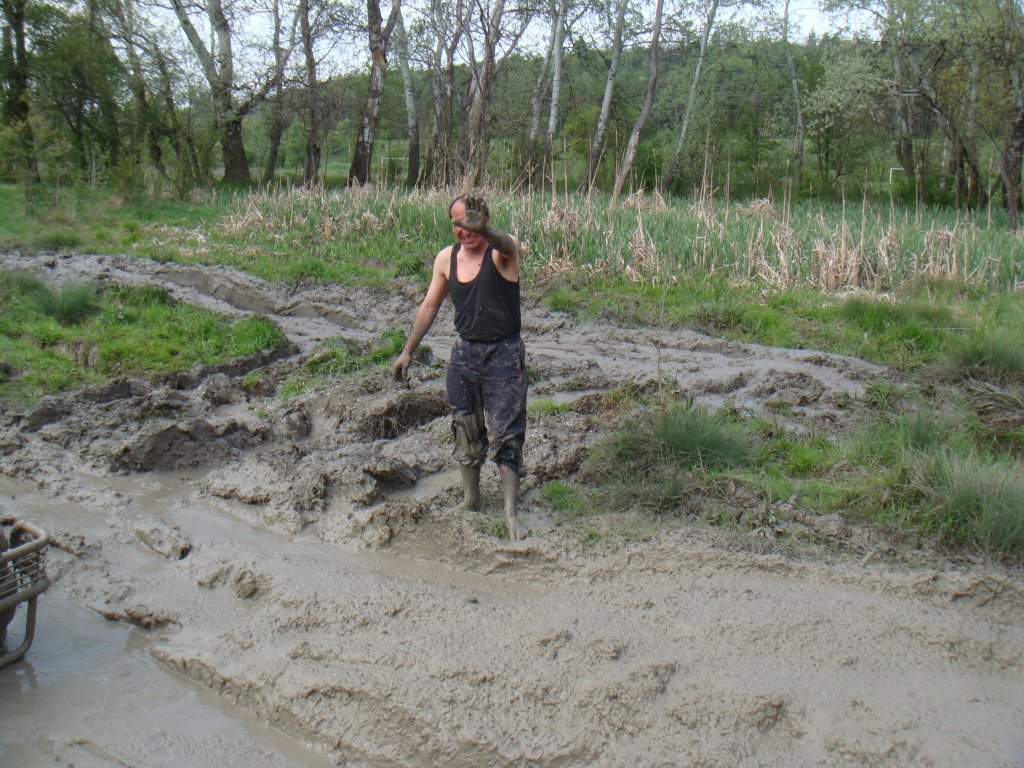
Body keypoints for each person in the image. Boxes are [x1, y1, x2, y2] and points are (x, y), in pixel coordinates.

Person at [393, 194, 528, 541]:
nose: (465, 230)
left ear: (485, 220)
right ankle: (471, 500)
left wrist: (487, 231)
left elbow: (508, 245)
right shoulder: (446, 258)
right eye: (458, 223)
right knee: (465, 430)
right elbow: (429, 306)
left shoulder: (502, 250)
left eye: (472, 222)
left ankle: (510, 513)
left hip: (504, 353)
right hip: (465, 354)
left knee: (508, 434)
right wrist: (407, 351)